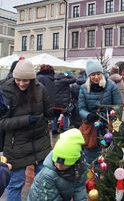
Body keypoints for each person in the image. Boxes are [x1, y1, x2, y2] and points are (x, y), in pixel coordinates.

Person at [0, 60, 52, 201]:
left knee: (41, 183)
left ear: (32, 79)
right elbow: (2, 122)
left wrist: (46, 117)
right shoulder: (5, 90)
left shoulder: (40, 89)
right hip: (16, 145)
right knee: (16, 184)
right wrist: (26, 120)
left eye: (26, 80)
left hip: (40, 142)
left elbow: (48, 112)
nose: (22, 83)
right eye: (18, 80)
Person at [78, 59, 122, 163]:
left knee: (109, 153)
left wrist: (111, 112)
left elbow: (119, 105)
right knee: (92, 154)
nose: (96, 77)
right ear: (89, 76)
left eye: (98, 73)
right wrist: (88, 115)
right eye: (93, 74)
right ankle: (93, 174)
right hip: (92, 128)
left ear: (102, 73)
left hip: (109, 126)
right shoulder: (83, 88)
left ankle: (106, 175)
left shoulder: (111, 86)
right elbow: (81, 109)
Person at [27, 128, 87, 201]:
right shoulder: (47, 176)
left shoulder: (80, 165)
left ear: (74, 161)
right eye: (56, 161)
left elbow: (80, 187)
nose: (58, 166)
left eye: (64, 164)